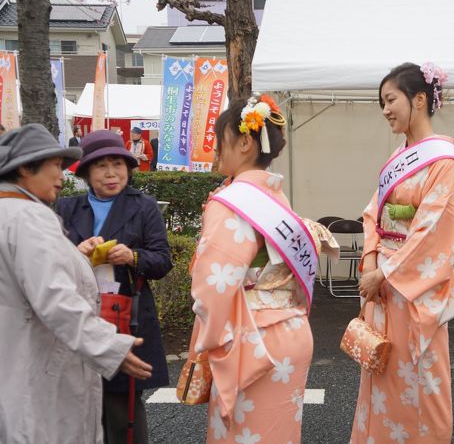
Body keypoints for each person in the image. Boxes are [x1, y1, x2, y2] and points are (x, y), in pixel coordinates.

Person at [190, 93, 337, 443]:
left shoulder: (231, 202)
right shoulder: (276, 197)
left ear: (244, 142)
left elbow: (214, 286)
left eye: (218, 139)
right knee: (278, 432)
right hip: (292, 331)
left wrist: (209, 343)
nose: (215, 149)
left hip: (253, 341)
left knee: (243, 435)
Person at [0, 123, 152, 443]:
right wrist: (109, 346)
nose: (61, 175)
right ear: (26, 168)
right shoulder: (29, 217)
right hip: (43, 364)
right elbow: (55, 297)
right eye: (55, 165)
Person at [350, 62, 454, 444]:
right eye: (382, 102)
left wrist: (383, 274)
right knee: (380, 368)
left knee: (418, 378)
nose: (385, 109)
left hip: (413, 290)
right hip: (383, 283)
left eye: (391, 100)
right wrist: (370, 261)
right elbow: (374, 211)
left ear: (419, 99)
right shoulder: (401, 154)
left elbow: (433, 230)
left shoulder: (442, 161)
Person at [56, 130, 172, 444]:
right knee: (77, 403)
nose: (111, 173)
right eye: (102, 166)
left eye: (118, 165)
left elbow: (162, 260)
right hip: (78, 316)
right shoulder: (65, 209)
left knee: (123, 409)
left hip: (123, 317)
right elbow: (50, 262)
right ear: (86, 172)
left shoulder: (144, 206)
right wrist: (75, 253)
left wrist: (133, 256)